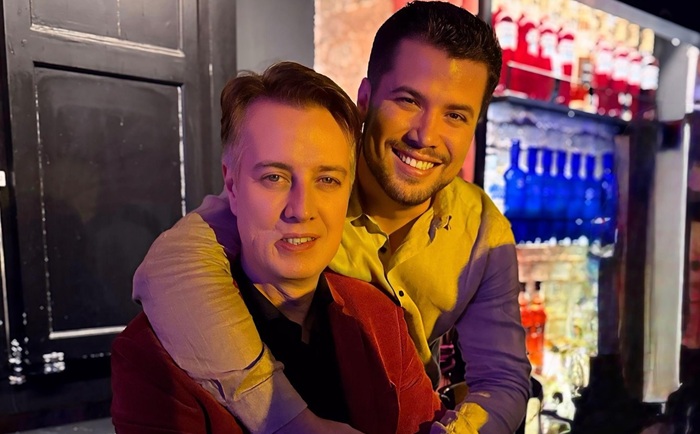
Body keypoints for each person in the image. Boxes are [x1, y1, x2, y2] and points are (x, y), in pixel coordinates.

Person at [133, 2, 531, 433]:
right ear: (366, 100)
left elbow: (503, 378)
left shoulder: (483, 232)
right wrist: (288, 420)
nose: (425, 135)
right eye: (408, 100)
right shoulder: (308, 190)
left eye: (455, 115)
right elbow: (170, 269)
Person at [111, 61, 447, 434]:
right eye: (274, 177)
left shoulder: (379, 316)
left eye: (327, 179)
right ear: (232, 186)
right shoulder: (152, 356)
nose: (301, 209)